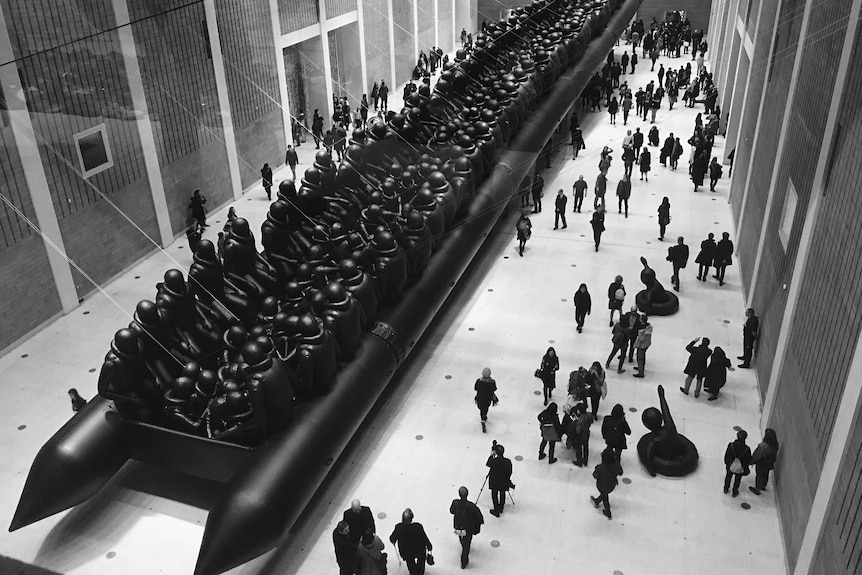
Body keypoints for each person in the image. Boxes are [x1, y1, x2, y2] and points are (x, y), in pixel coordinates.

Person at [389, 509, 432, 575]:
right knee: (421, 562)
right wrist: (429, 546)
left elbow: (392, 538)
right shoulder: (418, 526)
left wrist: (393, 540)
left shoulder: (399, 528)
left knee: (410, 564)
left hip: (407, 553)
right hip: (419, 550)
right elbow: (424, 537)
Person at [449, 486, 484, 569]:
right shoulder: (472, 506)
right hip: (468, 528)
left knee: (461, 539)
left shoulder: (455, 503)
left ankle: (463, 545)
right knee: (467, 544)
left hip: (458, 526)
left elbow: (451, 511)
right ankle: (464, 561)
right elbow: (479, 517)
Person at [590, 448, 623, 519]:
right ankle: (597, 501)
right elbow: (621, 472)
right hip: (612, 485)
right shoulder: (616, 465)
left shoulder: (600, 468)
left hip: (601, 485)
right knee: (604, 494)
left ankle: (608, 512)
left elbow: (595, 476)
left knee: (605, 497)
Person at [486, 443, 513, 517]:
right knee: (502, 493)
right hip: (504, 481)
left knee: (494, 495)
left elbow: (488, 464)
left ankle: (496, 510)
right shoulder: (508, 461)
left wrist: (492, 455)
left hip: (494, 482)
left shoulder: (494, 461)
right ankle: (501, 507)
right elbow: (510, 472)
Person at [749, 429, 780, 495]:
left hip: (762, 462)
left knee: (759, 475)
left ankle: (757, 489)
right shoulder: (775, 444)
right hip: (769, 462)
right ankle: (763, 485)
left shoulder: (763, 446)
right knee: (766, 473)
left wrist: (752, 461)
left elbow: (757, 455)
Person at [723, 430, 752, 497]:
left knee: (728, 477)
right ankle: (734, 491)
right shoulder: (747, 449)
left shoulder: (731, 445)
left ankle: (726, 489)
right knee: (737, 479)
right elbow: (748, 459)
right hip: (740, 467)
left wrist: (727, 463)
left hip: (730, 465)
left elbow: (727, 455)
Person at [474, 367, 497, 433]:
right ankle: (484, 417)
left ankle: (483, 418)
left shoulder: (479, 381)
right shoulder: (492, 382)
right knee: (486, 408)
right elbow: (494, 389)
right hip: (487, 398)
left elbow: (476, 388)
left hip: (480, 398)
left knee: (481, 408)